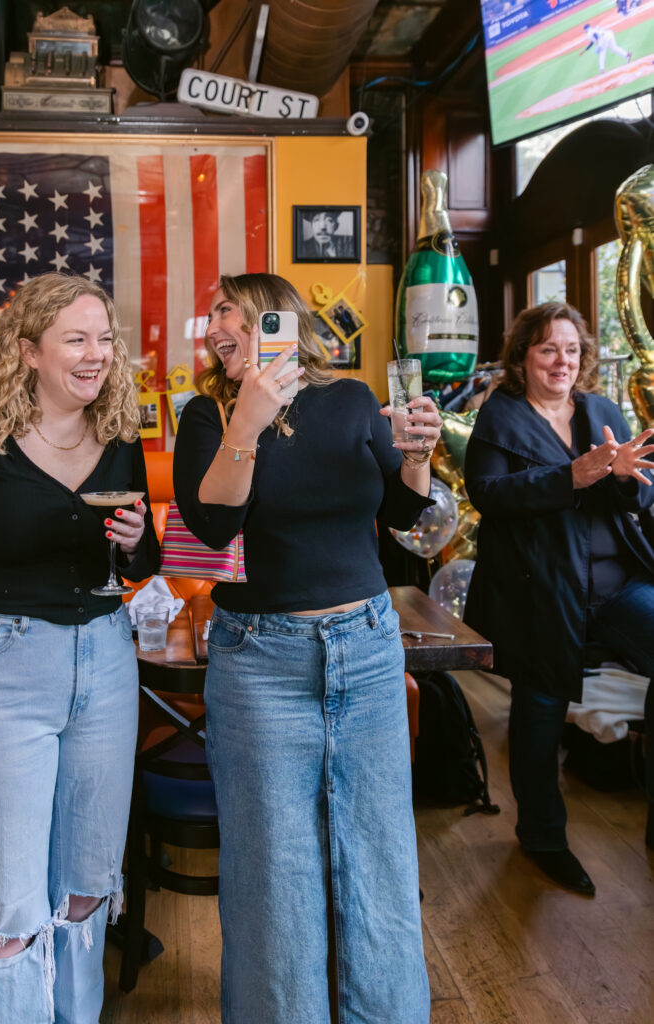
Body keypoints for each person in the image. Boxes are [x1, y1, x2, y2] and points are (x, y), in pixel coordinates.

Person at [174, 272, 439, 1022]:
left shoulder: (351, 399)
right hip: (260, 659)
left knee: (380, 857)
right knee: (272, 873)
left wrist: (415, 453)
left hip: (367, 645)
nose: (214, 323)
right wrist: (246, 426)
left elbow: (400, 510)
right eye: (212, 313)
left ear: (272, 318)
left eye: (226, 307)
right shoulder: (209, 412)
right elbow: (212, 527)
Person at [0, 273, 160, 1023]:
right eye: (77, 339)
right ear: (28, 352)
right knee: (9, 906)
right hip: (1, 666)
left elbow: (137, 566)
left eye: (106, 338)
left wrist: (139, 544)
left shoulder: (119, 435)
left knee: (88, 882)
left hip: (107, 661)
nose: (97, 355)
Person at [464, 302, 654, 896]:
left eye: (571, 349)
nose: (561, 361)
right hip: (540, 589)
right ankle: (543, 836)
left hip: (619, 583)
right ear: (522, 358)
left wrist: (624, 477)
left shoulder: (600, 410)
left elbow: (638, 497)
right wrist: (572, 476)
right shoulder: (498, 417)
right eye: (548, 348)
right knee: (539, 709)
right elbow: (488, 495)